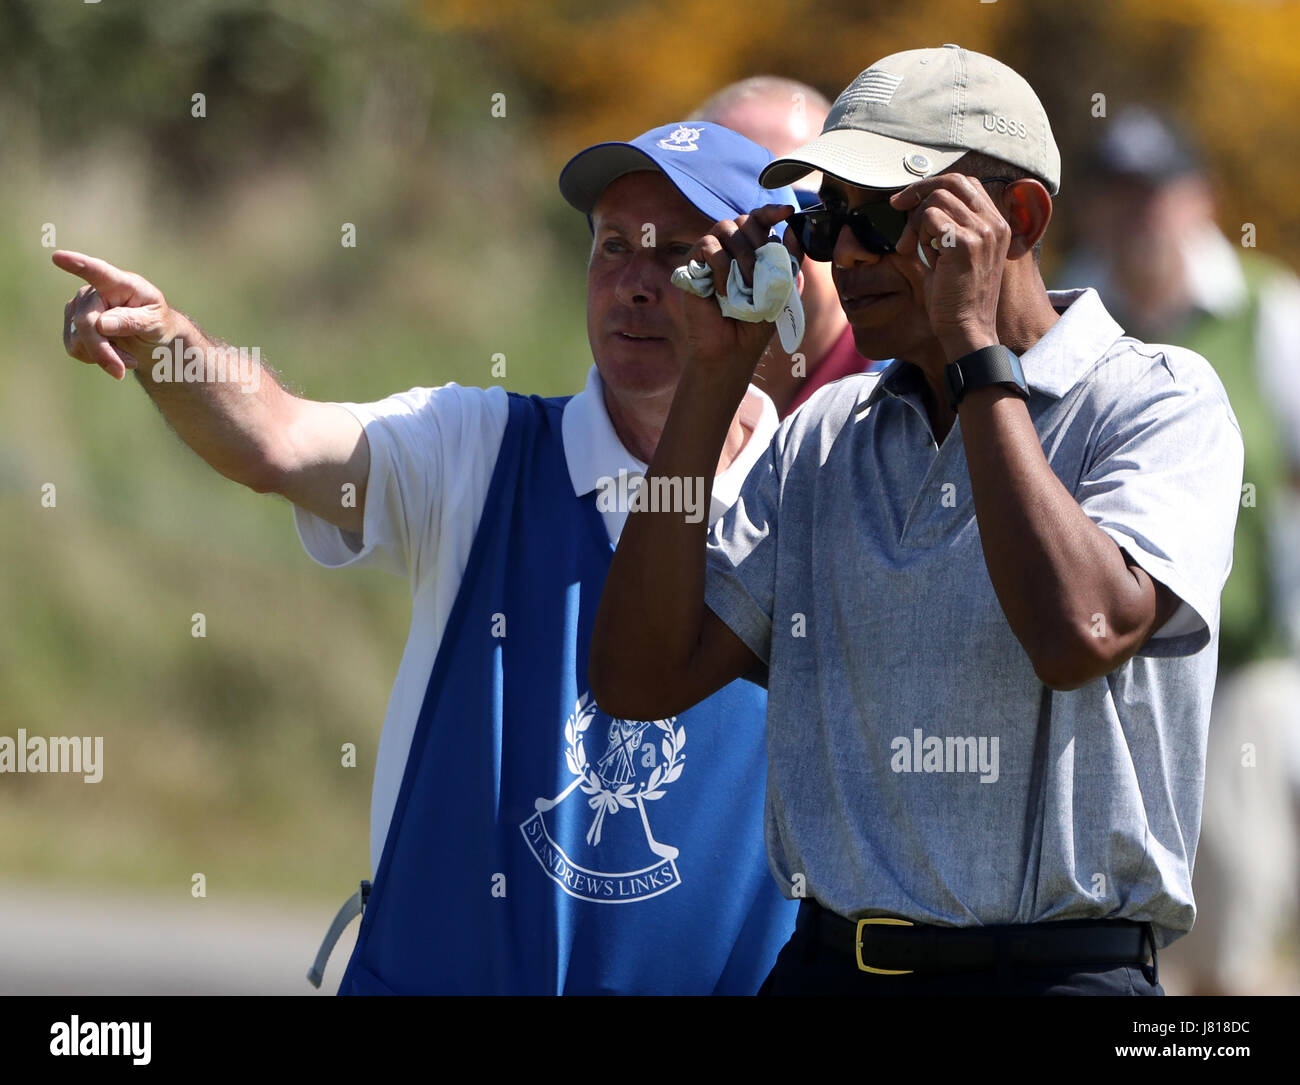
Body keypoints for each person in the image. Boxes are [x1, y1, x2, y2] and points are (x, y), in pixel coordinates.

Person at [53, 121, 801, 994]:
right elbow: (277, 441)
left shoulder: (816, 493)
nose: (634, 284)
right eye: (610, 248)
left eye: (676, 255)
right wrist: (162, 342)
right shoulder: (480, 446)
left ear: (760, 283)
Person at [590, 45, 1245, 995]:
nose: (844, 254)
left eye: (884, 215)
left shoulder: (1158, 397)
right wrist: (708, 386)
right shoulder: (821, 436)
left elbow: (1084, 631)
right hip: (831, 969)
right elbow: (637, 680)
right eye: (826, 219)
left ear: (1016, 220)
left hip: (1059, 976)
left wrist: (975, 347)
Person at [1061, 106, 1300, 995]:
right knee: (1124, 937)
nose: (1141, 215)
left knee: (1233, 925)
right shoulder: (1065, 317)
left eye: (1157, 192)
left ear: (1199, 199)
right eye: (1121, 194)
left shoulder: (1268, 312)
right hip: (1105, 680)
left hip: (1240, 667)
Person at [691, 76, 885, 416]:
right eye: (719, 208)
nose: (754, 235)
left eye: (798, 210)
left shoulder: (923, 398)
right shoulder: (641, 404)